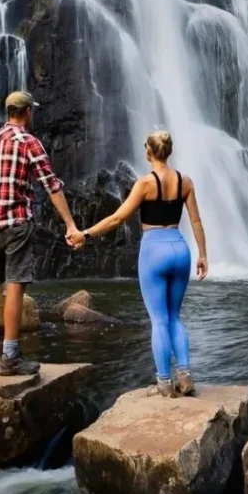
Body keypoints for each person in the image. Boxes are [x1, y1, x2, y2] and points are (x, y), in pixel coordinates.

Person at [68, 130, 208, 396]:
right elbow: (196, 221)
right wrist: (203, 255)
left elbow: (117, 219)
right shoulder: (185, 181)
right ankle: (186, 377)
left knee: (159, 320)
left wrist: (85, 234)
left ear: (149, 152)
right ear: (169, 151)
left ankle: (164, 383)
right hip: (180, 249)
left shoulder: (145, 183)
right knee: (175, 317)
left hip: (154, 250)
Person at [0, 90, 82, 376]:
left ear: (8, 112)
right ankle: (10, 356)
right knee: (16, 284)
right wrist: (70, 224)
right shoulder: (30, 143)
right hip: (17, 223)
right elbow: (51, 186)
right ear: (27, 112)